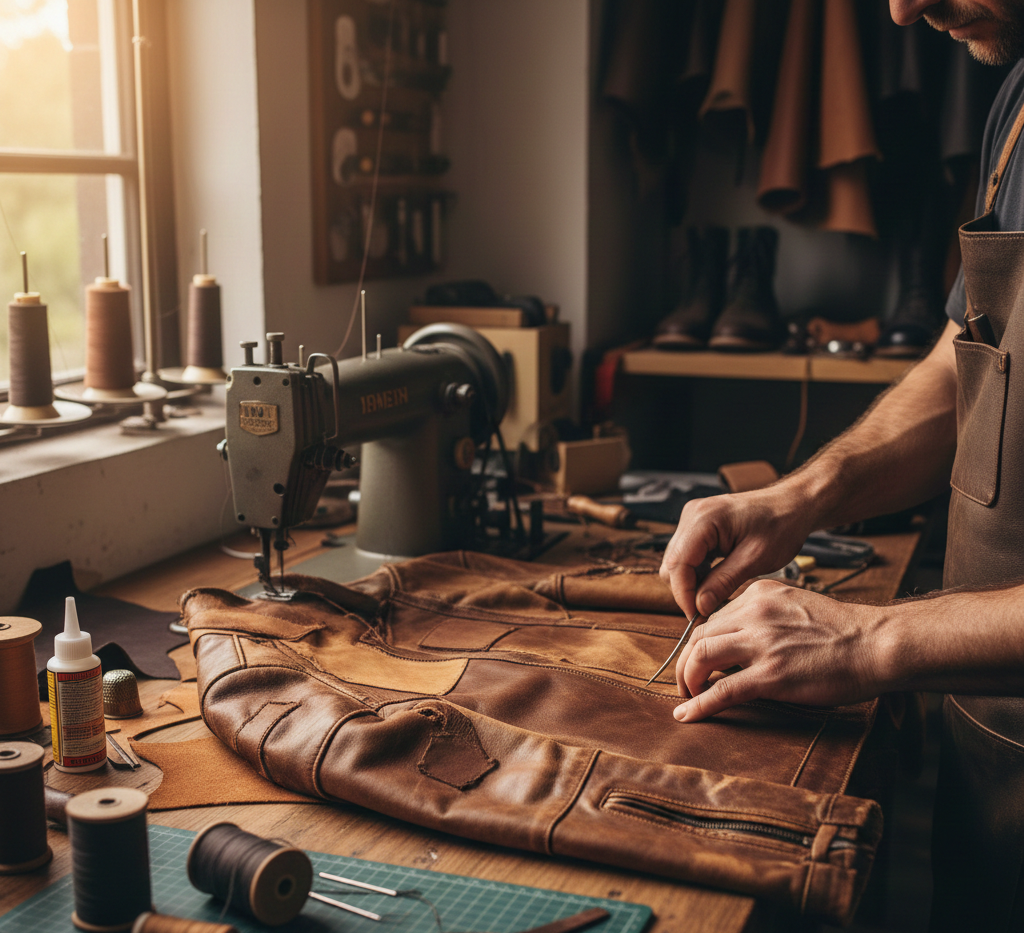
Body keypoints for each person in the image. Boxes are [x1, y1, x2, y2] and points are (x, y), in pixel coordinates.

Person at [659, 1, 1024, 928]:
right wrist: (801, 497)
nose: (902, 8)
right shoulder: (1016, 91)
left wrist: (867, 640)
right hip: (994, 766)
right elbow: (968, 354)